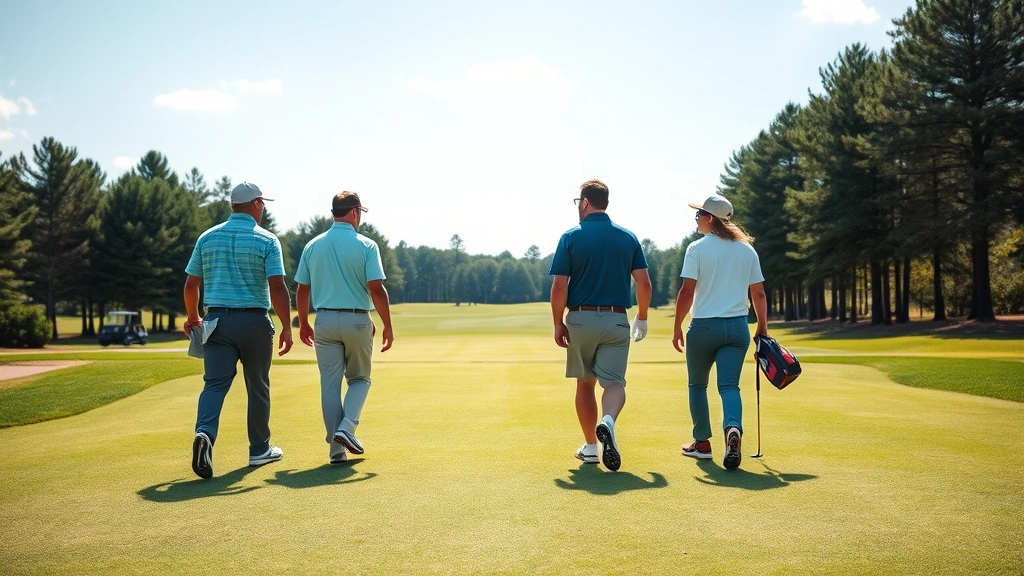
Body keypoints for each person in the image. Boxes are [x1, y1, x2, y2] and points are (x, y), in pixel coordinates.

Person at [183, 182, 293, 479]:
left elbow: (191, 285)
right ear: (256, 204)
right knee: (258, 386)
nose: (264, 208)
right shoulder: (267, 240)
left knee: (214, 384)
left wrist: (193, 317)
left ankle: (204, 434)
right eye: (263, 203)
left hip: (216, 322)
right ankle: (259, 450)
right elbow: (278, 287)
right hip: (254, 323)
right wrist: (286, 326)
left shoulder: (207, 238)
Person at [549, 179, 652, 471]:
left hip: (580, 320)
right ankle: (607, 421)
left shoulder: (570, 237)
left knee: (585, 384)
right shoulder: (628, 237)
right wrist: (642, 316)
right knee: (614, 383)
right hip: (616, 320)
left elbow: (559, 287)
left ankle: (592, 447)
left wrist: (558, 323)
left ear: (584, 203)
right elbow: (643, 283)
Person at [294, 192, 394, 465]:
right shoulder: (367, 245)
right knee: (360, 379)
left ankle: (335, 451)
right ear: (353, 213)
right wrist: (387, 325)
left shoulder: (313, 245)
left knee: (329, 385)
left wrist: (303, 322)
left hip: (324, 321)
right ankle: (347, 428)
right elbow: (376, 289)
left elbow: (302, 289)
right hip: (358, 320)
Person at [672, 194, 768, 470]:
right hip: (737, 327)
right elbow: (758, 293)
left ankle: (702, 444)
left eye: (699, 215)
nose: (696, 219)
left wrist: (677, 325)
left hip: (703, 327)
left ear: (710, 218)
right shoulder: (747, 251)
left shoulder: (696, 249)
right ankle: (733, 430)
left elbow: (687, 291)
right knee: (729, 386)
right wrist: (762, 327)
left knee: (697, 385)